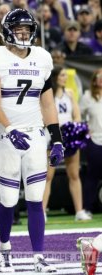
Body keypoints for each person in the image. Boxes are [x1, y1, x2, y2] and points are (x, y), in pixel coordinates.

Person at [0, 9, 63, 273]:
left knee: (36, 198)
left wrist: (57, 139)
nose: (24, 34)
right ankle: (4, 248)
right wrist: (10, 128)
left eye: (27, 30)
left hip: (36, 133)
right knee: (8, 199)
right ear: (7, 32)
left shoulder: (42, 58)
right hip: (7, 135)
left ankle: (38, 257)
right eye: (19, 30)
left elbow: (47, 102)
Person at [42, 66, 91, 222]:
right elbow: (44, 117)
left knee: (74, 175)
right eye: (62, 75)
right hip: (52, 138)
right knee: (48, 176)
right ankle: (41, 212)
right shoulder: (46, 95)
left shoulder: (69, 94)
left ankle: (79, 211)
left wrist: (71, 130)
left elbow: (76, 116)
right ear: (55, 77)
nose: (65, 78)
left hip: (69, 139)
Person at [77, 68, 102, 275]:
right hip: (95, 142)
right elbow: (80, 116)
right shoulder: (87, 96)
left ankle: (93, 246)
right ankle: (93, 245)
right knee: (92, 177)